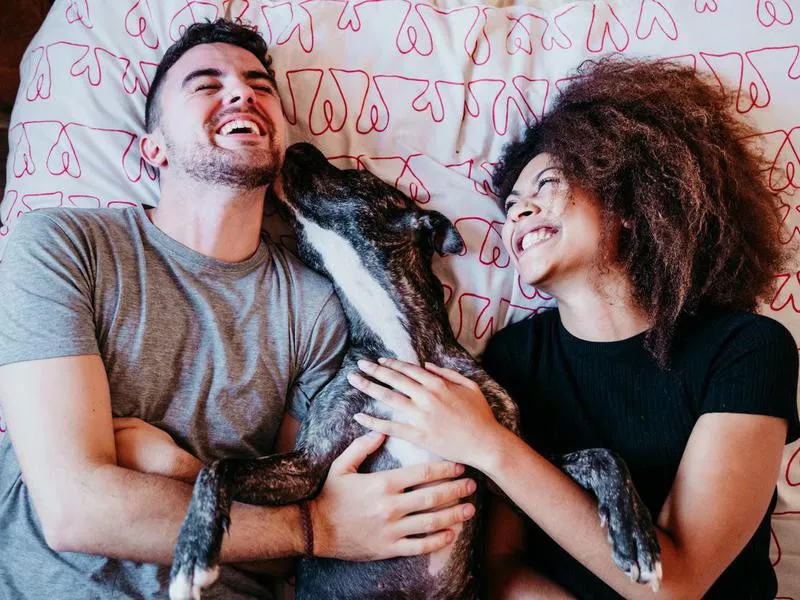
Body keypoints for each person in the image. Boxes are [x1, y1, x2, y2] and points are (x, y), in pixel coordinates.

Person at [0, 19, 476, 599]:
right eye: (206, 84)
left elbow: (285, 553)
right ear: (154, 149)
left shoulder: (317, 310)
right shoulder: (64, 245)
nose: (242, 92)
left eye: (260, 84)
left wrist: (177, 472)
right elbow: (74, 509)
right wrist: (318, 527)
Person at [347, 57, 800, 599]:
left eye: (548, 183)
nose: (520, 212)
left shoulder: (746, 348)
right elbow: (502, 568)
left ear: (629, 204)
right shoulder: (514, 359)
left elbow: (677, 585)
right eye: (511, 206)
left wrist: (487, 444)